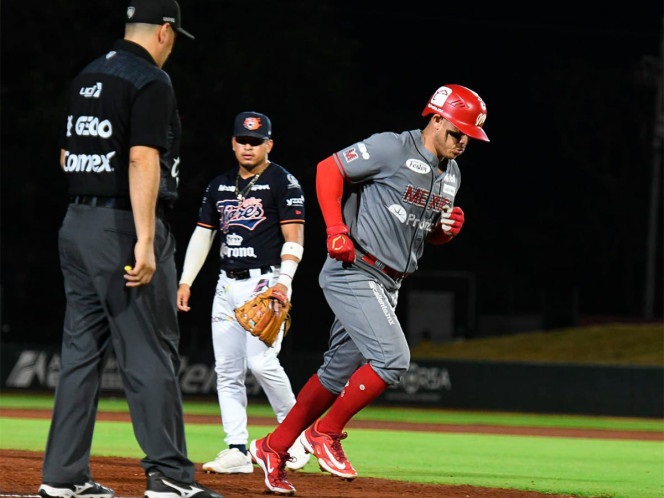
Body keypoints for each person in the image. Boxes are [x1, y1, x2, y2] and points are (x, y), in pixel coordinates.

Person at [249, 84, 490, 494]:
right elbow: (329, 169)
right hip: (354, 268)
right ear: (435, 118)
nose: (463, 140)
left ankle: (274, 446)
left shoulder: (452, 175)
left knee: (335, 373)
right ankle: (324, 433)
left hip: (390, 280)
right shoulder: (391, 148)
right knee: (394, 359)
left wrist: (444, 233)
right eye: (457, 131)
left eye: (470, 135)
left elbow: (425, 234)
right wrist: (336, 229)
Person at [38, 1, 224, 498]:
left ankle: (62, 477)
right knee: (149, 352)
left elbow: (65, 154)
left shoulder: (88, 75)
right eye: (173, 38)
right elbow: (143, 158)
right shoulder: (149, 80)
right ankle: (168, 476)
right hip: (122, 226)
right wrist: (144, 239)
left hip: (76, 223)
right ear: (165, 32)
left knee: (80, 354)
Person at [177, 111, 310, 475]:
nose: (248, 146)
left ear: (269, 144)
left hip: (265, 283)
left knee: (262, 362)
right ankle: (236, 449)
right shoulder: (219, 185)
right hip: (226, 284)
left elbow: (294, 236)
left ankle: (295, 437)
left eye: (255, 141)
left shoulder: (283, 181)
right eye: (242, 140)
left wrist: (285, 281)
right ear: (233, 142)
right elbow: (204, 234)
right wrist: (186, 279)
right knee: (227, 370)